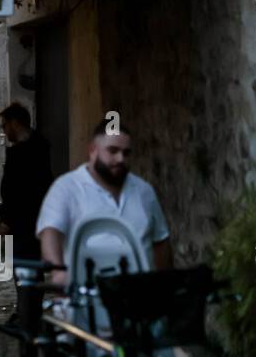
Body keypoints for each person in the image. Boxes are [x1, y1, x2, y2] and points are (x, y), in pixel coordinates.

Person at [36, 122, 172, 290]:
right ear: (93, 150)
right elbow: (51, 232)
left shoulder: (144, 191)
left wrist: (163, 284)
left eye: (126, 153)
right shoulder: (66, 188)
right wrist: (58, 273)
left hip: (140, 296)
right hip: (88, 295)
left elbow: (161, 240)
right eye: (113, 151)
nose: (121, 159)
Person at [0, 103, 53, 262]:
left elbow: (17, 192)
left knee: (25, 271)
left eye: (4, 125)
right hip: (35, 221)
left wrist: (6, 221)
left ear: (15, 123)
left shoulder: (21, 154)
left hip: (22, 225)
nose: (4, 130)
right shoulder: (40, 145)